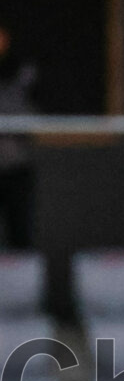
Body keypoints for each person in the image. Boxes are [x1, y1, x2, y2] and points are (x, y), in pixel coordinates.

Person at [0, 24, 38, 250]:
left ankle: (20, 284)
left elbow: (33, 111)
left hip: (16, 165)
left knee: (20, 232)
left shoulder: (22, 70)